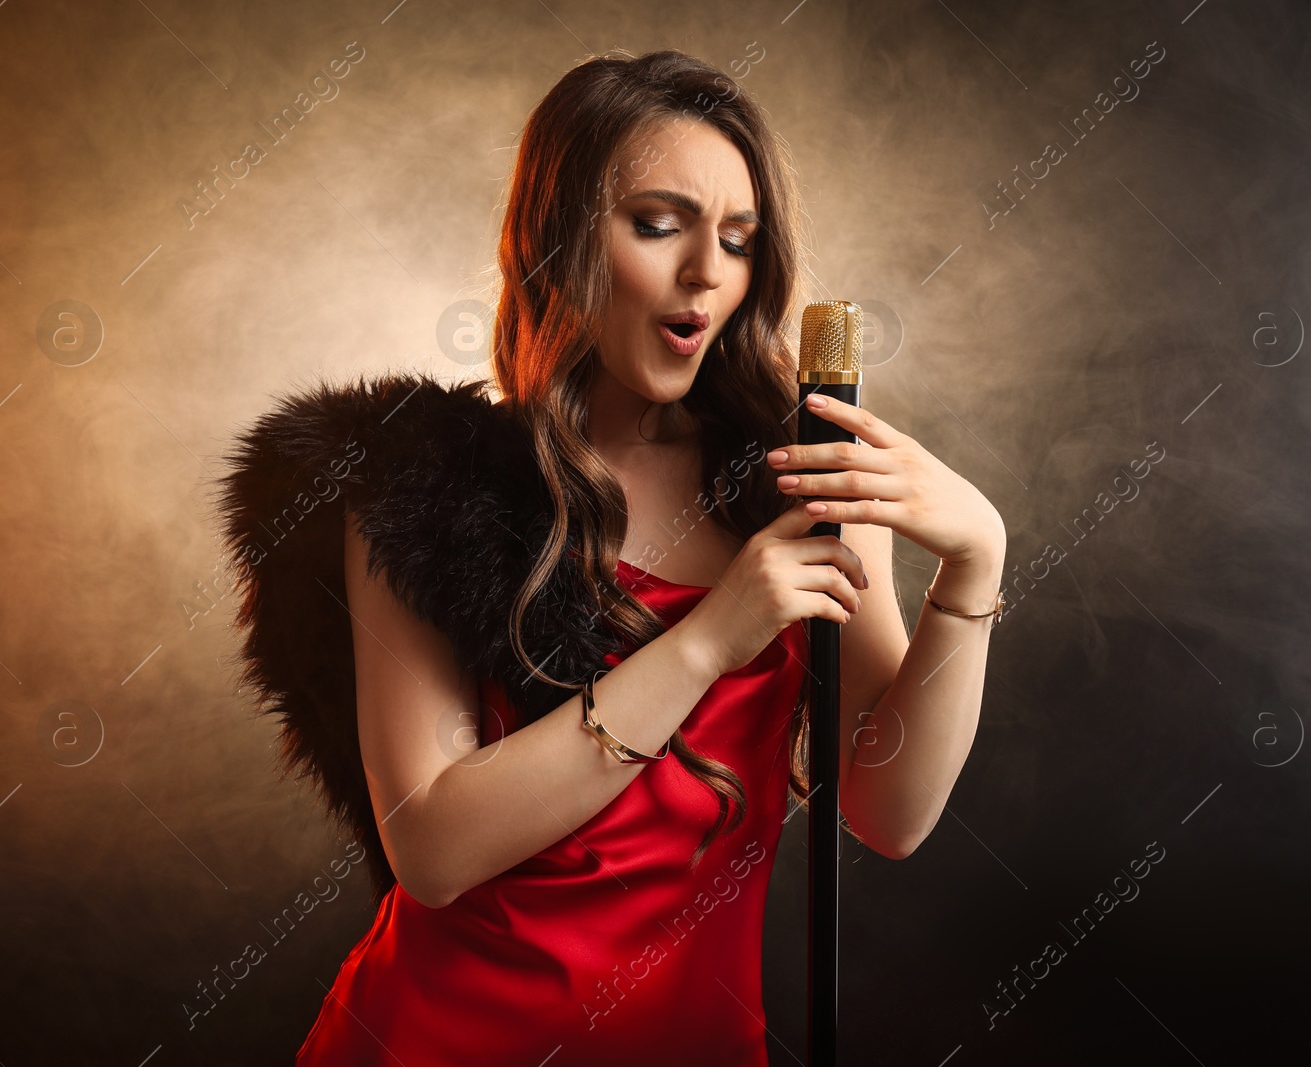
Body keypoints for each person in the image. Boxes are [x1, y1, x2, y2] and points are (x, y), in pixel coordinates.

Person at [213, 48, 1006, 1066]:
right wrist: (711, 638)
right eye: (657, 224)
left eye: (737, 239)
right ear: (558, 240)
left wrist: (973, 570)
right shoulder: (422, 483)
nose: (705, 274)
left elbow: (888, 811)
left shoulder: (800, 483)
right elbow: (436, 848)